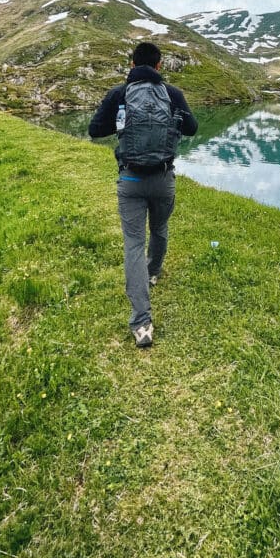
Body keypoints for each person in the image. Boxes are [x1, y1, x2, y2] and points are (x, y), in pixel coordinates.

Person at [88, 41, 198, 348]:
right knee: (160, 228)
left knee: (133, 244)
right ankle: (153, 272)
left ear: (132, 64)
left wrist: (122, 121)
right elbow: (191, 128)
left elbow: (95, 131)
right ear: (159, 66)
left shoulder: (119, 94)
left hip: (131, 179)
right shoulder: (173, 94)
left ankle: (141, 322)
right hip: (163, 179)